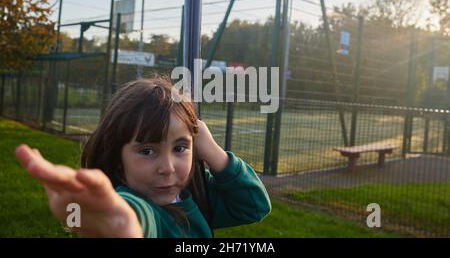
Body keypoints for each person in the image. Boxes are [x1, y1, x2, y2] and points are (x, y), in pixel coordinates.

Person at [15, 76, 271, 237]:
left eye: (180, 147)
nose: (167, 167)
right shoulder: (135, 203)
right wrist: (120, 222)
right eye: (147, 151)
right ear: (118, 157)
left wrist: (213, 152)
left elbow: (254, 206)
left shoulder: (196, 193)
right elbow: (134, 216)